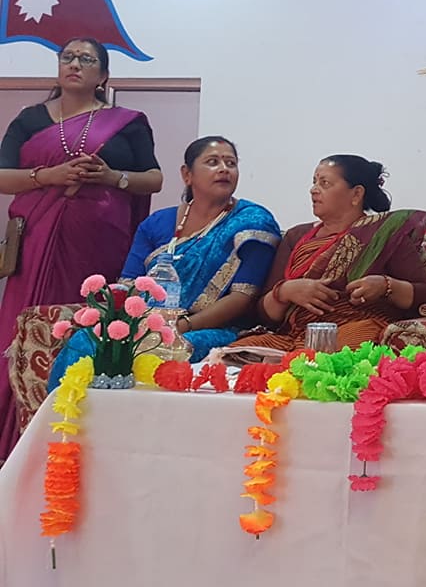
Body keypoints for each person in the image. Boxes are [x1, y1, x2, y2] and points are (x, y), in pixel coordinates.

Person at [0, 38, 163, 458]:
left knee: (90, 325)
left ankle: (87, 433)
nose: (74, 64)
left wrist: (111, 178)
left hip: (100, 245)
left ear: (103, 75)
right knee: (28, 326)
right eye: (68, 57)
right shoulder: (29, 119)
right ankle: (15, 438)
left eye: (86, 59)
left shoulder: (127, 123)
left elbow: (153, 179)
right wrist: (48, 176)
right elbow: (2, 177)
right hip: (37, 244)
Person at [46, 136, 282, 386]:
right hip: (148, 324)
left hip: (211, 330)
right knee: (86, 341)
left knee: (166, 348)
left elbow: (242, 298)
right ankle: (70, 409)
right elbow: (129, 286)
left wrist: (181, 326)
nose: (224, 169)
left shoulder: (251, 222)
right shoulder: (156, 223)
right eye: (213, 162)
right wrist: (128, 324)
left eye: (231, 163)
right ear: (187, 174)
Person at [230, 156, 426, 352]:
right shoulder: (296, 236)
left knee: (348, 345)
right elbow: (263, 314)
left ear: (356, 194)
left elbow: (425, 293)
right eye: (314, 182)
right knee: (234, 353)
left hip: (354, 329)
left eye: (325, 183)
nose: (313, 190)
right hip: (295, 335)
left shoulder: (383, 235)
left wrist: (385, 286)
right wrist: (285, 292)